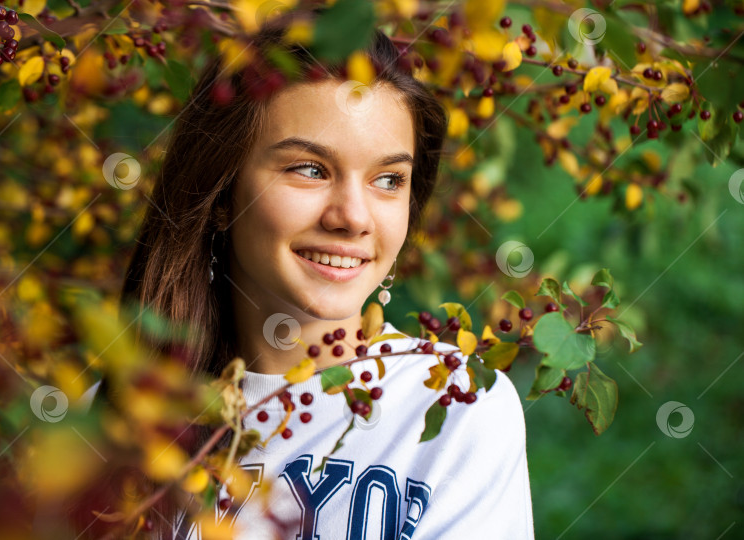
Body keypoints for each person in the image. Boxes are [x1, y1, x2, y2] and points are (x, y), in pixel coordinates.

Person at [114, 10, 534, 540]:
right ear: (220, 194)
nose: (353, 217)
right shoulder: (124, 416)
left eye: (388, 179)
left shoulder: (454, 406)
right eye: (310, 170)